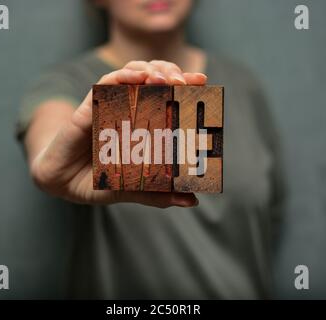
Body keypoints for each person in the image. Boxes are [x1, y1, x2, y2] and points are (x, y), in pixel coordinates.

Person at [16, 0, 285, 299]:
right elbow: (49, 131)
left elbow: (270, 217)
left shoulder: (244, 86)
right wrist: (49, 164)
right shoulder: (65, 84)